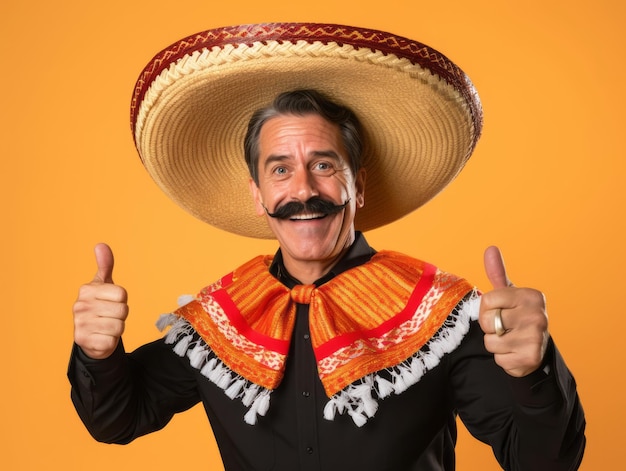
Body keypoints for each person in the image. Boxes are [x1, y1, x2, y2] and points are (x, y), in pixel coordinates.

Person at [68, 23, 585, 470]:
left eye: (323, 165)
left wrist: (533, 370)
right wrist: (98, 353)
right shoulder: (219, 320)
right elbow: (118, 418)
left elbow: (542, 461)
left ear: (357, 186)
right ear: (258, 195)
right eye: (280, 169)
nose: (303, 191)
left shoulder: (440, 315)